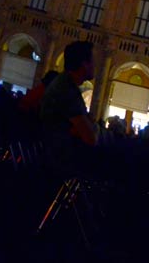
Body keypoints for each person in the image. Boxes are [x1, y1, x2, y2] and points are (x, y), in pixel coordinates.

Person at [39, 41, 102, 175]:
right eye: (92, 62)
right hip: (62, 159)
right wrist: (93, 126)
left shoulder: (65, 84)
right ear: (84, 65)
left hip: (55, 154)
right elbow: (90, 138)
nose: (95, 66)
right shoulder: (67, 91)